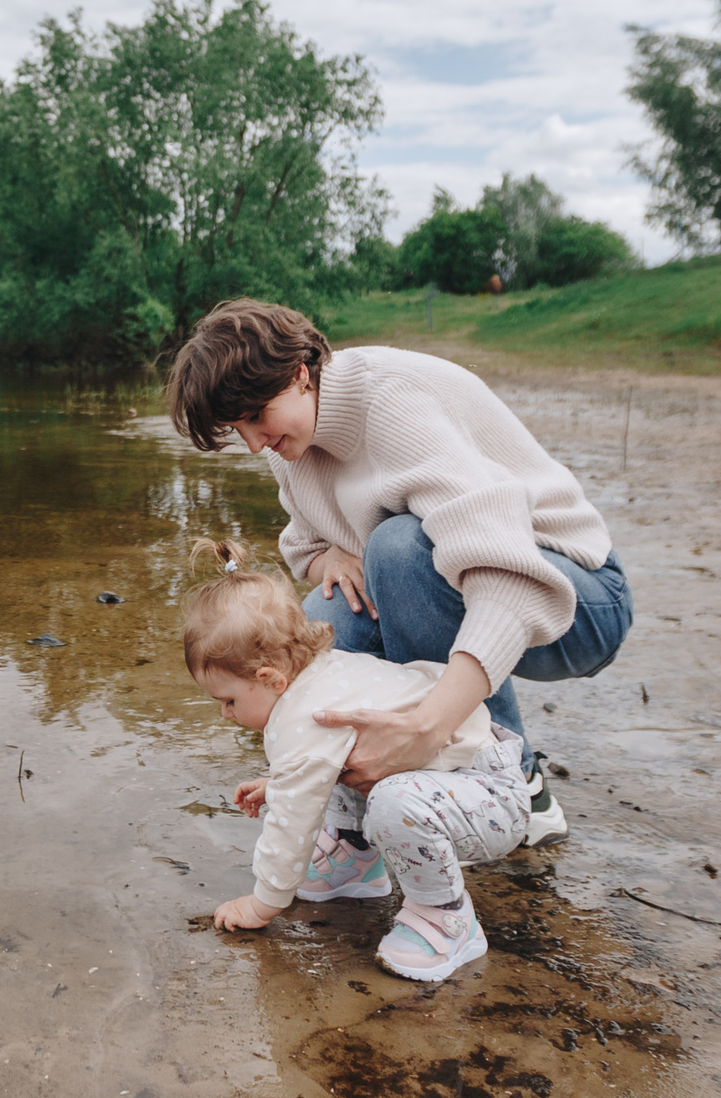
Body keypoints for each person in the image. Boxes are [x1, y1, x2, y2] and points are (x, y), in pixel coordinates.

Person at [165, 299, 631, 845]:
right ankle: (360, 807)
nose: (253, 442)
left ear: (299, 374)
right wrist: (327, 559)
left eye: (255, 417)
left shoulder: (393, 405)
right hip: (464, 589)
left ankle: (514, 782)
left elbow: (511, 580)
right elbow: (302, 542)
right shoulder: (290, 438)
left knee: (398, 549)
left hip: (577, 596)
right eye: (235, 428)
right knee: (319, 624)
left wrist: (427, 725)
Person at [184, 545, 529, 980]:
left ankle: (446, 917)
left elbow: (291, 827)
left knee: (392, 801)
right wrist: (279, 783)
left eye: (229, 700)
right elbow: (314, 768)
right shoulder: (323, 671)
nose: (226, 714)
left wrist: (263, 903)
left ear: (269, 678)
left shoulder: (301, 718)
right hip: (469, 774)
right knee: (357, 770)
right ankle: (354, 857)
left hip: (491, 800)